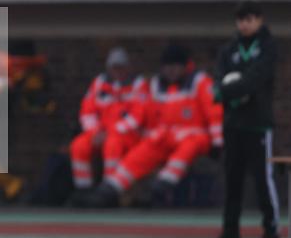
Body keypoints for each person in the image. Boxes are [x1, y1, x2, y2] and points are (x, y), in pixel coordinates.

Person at [83, 45, 223, 208]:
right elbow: (145, 114)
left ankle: (162, 185)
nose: (171, 71)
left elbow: (215, 113)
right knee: (139, 154)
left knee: (187, 148)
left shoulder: (201, 82)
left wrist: (218, 142)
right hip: (162, 136)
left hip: (194, 135)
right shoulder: (156, 85)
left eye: (175, 67)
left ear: (185, 67)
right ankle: (109, 190)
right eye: (167, 67)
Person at [211, 1, 281, 238]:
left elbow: (255, 78)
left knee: (263, 179)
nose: (244, 24)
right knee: (232, 178)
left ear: (259, 20)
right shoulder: (229, 49)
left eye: (249, 19)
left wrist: (230, 91)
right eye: (241, 20)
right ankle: (230, 232)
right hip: (233, 123)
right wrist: (226, 91)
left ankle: (271, 231)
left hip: (258, 124)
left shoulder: (268, 47)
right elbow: (218, 82)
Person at [69, 47, 148, 195]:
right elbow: (87, 112)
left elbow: (137, 118)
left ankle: (109, 190)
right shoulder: (99, 83)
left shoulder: (138, 84)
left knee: (113, 144)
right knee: (78, 145)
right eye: (114, 68)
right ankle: (83, 190)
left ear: (128, 68)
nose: (118, 71)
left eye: (121, 67)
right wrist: (95, 132)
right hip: (99, 133)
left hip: (128, 136)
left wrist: (109, 133)